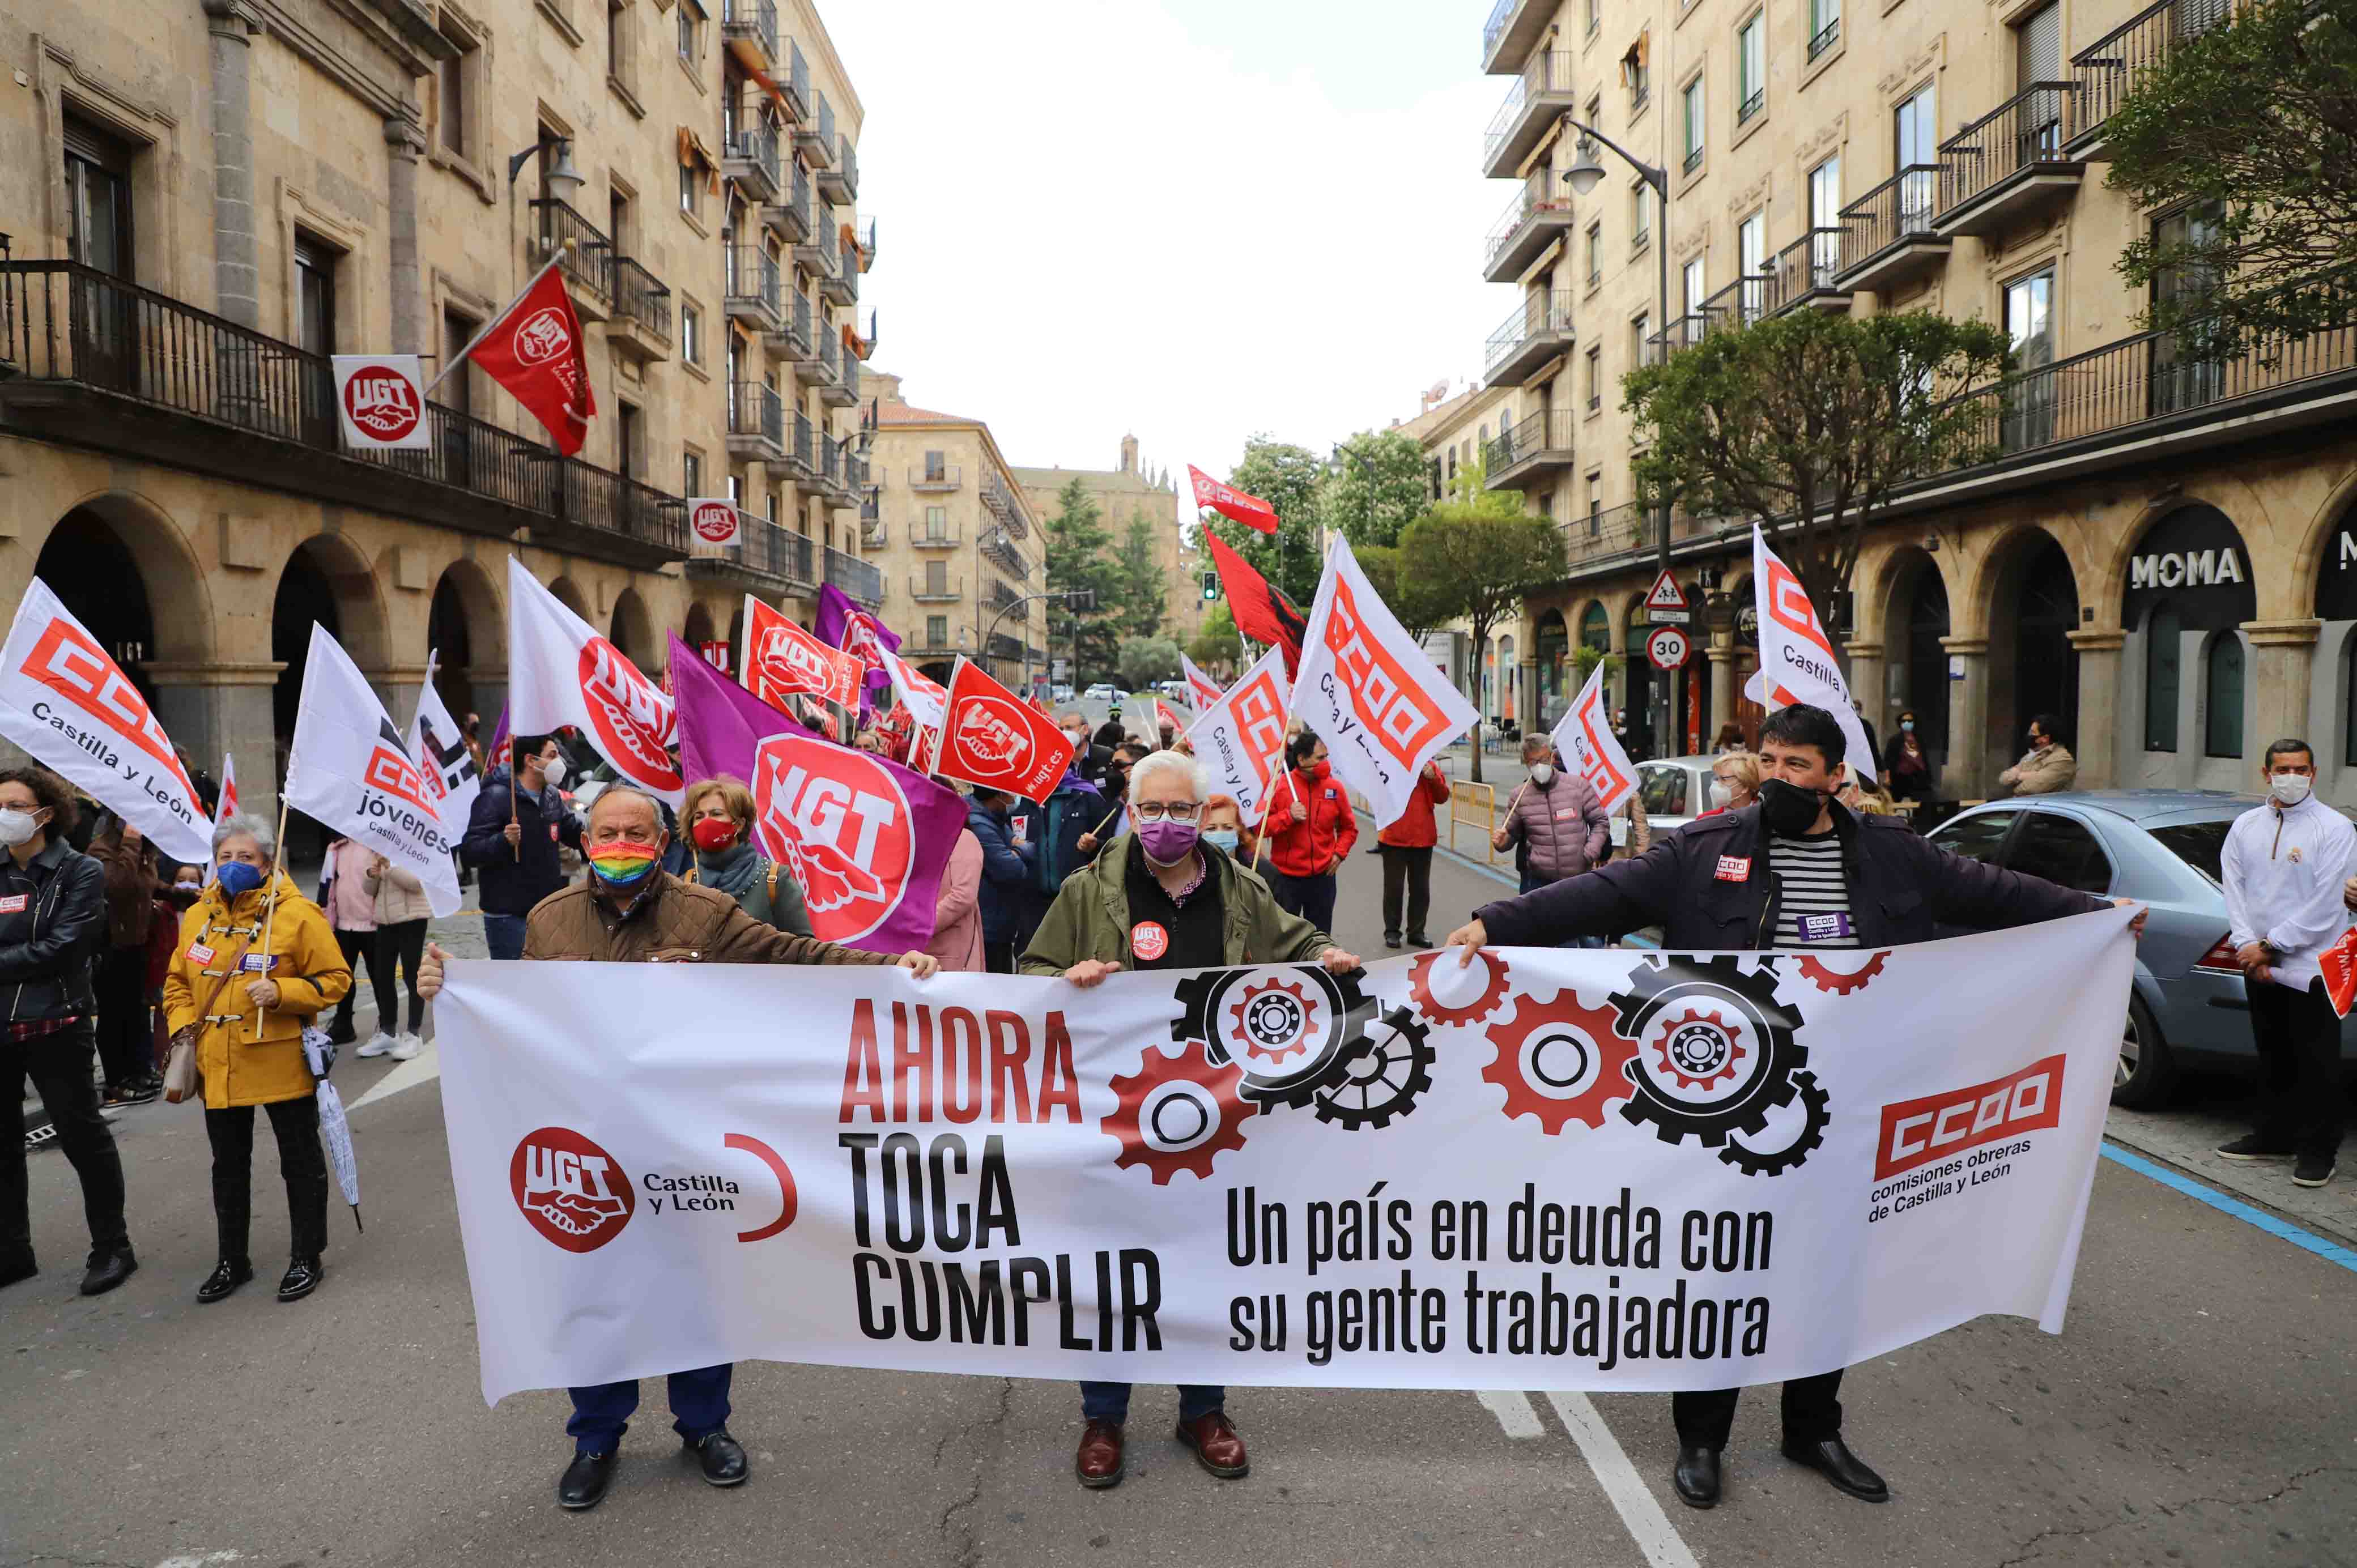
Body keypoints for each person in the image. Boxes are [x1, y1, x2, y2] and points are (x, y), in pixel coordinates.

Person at [1443, 703, 2143, 1512]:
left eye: (1796, 766)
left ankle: (1813, 1428)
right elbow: (1603, 894)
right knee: (1723, 1273)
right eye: (1767, 761)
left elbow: (1995, 891)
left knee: (1832, 1272)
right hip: (1732, 1110)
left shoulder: (1892, 857)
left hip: (1853, 1108)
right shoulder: (1707, 851)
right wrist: (1496, 922)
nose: (1777, 778)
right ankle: (1702, 1438)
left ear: (1835, 777)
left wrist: (2100, 917)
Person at [414, 786, 938, 1512]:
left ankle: (704, 1426)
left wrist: (889, 969)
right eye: (606, 831)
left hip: (686, 1141)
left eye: (635, 831)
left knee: (696, 1286)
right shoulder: (549, 919)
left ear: (662, 842)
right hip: (590, 1146)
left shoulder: (707, 914)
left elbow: (795, 956)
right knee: (594, 1291)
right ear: (585, 839)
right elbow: (509, 1018)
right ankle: (595, 1435)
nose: (620, 842)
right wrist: (446, 987)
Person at [1021, 749, 1359, 1490]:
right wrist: (1065, 980)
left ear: (1203, 816)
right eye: (1153, 809)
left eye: (1181, 810)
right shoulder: (1088, 892)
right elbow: (1032, 975)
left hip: (1215, 1121)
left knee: (1206, 1267)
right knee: (1112, 1273)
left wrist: (1324, 953)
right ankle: (1104, 1418)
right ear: (1132, 813)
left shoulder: (1242, 886)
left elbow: (1291, 940)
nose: (1167, 823)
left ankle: (1203, 1410)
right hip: (1118, 1124)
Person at [164, 813, 352, 1305]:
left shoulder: (297, 915)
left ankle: (306, 1255)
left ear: (268, 862)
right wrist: (184, 1024)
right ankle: (233, 1260)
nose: (233, 865)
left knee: (299, 1162)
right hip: (217, 1062)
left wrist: (284, 991)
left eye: (245, 857)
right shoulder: (198, 916)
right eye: (225, 857)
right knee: (227, 1166)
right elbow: (177, 982)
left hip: (280, 1060)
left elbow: (336, 980)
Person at [0, 769, 135, 1297]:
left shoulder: (78, 871)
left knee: (82, 1137)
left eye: (14, 803)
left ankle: (112, 1246)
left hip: (56, 1021)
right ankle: (13, 1251)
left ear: (45, 813)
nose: (5, 813)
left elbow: (64, 947)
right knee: (3, 1145)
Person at [2216, 739, 2351, 1190]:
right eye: (2281, 768)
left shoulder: (2334, 828)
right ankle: (2274, 1135)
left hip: (2313, 965)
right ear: (2265, 773)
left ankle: (2318, 1152)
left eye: (2299, 769)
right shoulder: (2245, 826)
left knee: (2317, 1063)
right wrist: (2246, 945)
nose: (2290, 777)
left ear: (2313, 774)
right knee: (2274, 1054)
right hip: (2258, 960)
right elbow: (2234, 890)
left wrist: (2271, 944)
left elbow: (2327, 902)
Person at [461, 736, 582, 960]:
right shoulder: (496, 797)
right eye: (552, 755)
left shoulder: (552, 796)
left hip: (548, 910)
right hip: (509, 916)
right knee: (516, 987)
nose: (559, 762)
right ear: (530, 760)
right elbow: (469, 851)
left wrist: (602, 831)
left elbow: (572, 832)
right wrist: (503, 841)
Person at [88, 814, 171, 1104]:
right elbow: (118, 886)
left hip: (136, 943)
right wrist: (131, 842)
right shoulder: (102, 850)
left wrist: (185, 895)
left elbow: (147, 887)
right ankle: (116, 1080)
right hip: (110, 945)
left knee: (136, 1012)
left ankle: (139, 1069)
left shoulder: (145, 853)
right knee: (114, 1015)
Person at [679, 776, 811, 935]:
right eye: (699, 816)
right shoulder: (683, 886)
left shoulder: (774, 879)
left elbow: (803, 948)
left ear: (740, 824)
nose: (707, 822)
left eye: (716, 814)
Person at [1494, 735, 1609, 898]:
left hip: (1578, 878)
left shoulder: (1578, 787)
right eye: (1534, 762)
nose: (1540, 766)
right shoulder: (1519, 796)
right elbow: (1510, 835)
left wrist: (1590, 852)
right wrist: (1501, 843)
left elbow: (1600, 822)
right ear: (1527, 764)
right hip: (1538, 883)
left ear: (1552, 757)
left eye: (1544, 759)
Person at [1263, 731, 1356, 932]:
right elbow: (1261, 828)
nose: (1325, 763)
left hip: (1323, 879)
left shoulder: (1335, 788)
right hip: (1286, 880)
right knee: (1285, 938)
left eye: (1326, 757)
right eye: (1320, 758)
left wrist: (1340, 853)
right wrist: (1288, 816)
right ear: (1302, 759)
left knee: (1321, 938)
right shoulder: (1280, 788)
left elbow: (1349, 828)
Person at [318, 836, 388, 1053]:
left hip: (374, 924)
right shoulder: (336, 847)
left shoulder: (378, 845)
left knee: (380, 977)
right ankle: (344, 1022)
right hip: (342, 923)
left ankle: (387, 1024)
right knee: (343, 977)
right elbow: (326, 884)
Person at [1377, 760, 1452, 949]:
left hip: (1423, 836)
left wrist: (1433, 778)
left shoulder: (1430, 766)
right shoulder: (1387, 764)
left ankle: (1416, 932)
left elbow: (1443, 797)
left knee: (1420, 889)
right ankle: (1392, 932)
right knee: (1394, 888)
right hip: (1394, 837)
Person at [365, 851, 431, 1058]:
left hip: (412, 919)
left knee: (412, 976)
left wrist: (390, 868)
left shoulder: (413, 846)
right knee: (382, 975)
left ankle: (414, 1034)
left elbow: (416, 883)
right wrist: (372, 874)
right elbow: (369, 890)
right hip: (386, 920)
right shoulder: (380, 849)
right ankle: (388, 1031)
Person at [966, 787, 1036, 974]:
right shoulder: (979, 824)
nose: (1014, 798)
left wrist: (1016, 851)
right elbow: (1013, 870)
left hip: (1001, 920)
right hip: (990, 923)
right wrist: (1020, 851)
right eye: (1010, 793)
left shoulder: (993, 817)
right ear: (999, 797)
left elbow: (1021, 843)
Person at [928, 820, 986, 973]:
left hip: (951, 952)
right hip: (915, 950)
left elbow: (963, 895)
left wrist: (920, 926)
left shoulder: (963, 838)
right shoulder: (913, 838)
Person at [1998, 714, 2077, 796]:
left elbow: (2031, 788)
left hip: (2044, 807)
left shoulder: (2062, 759)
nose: (2029, 735)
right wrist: (2026, 776)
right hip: (2026, 806)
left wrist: (2016, 778)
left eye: (2032, 732)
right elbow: (2003, 778)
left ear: (2045, 738)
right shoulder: (2030, 756)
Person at [1882, 711, 1933, 803]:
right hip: (1899, 778)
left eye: (1909, 721)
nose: (1907, 723)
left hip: (1917, 778)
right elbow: (1888, 761)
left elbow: (1924, 760)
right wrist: (1887, 778)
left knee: (1922, 804)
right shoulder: (1895, 740)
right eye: (1904, 721)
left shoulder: (1920, 740)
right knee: (1893, 804)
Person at [1700, 752, 1761, 818]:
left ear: (1745, 786)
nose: (1717, 784)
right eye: (1717, 779)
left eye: (1723, 779)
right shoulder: (1705, 819)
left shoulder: (1764, 817)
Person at [1201, 794, 1252, 863]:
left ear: (1238, 830)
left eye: (1228, 828)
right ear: (1199, 832)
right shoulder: (1189, 871)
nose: (1220, 833)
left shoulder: (1260, 869)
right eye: (1211, 828)